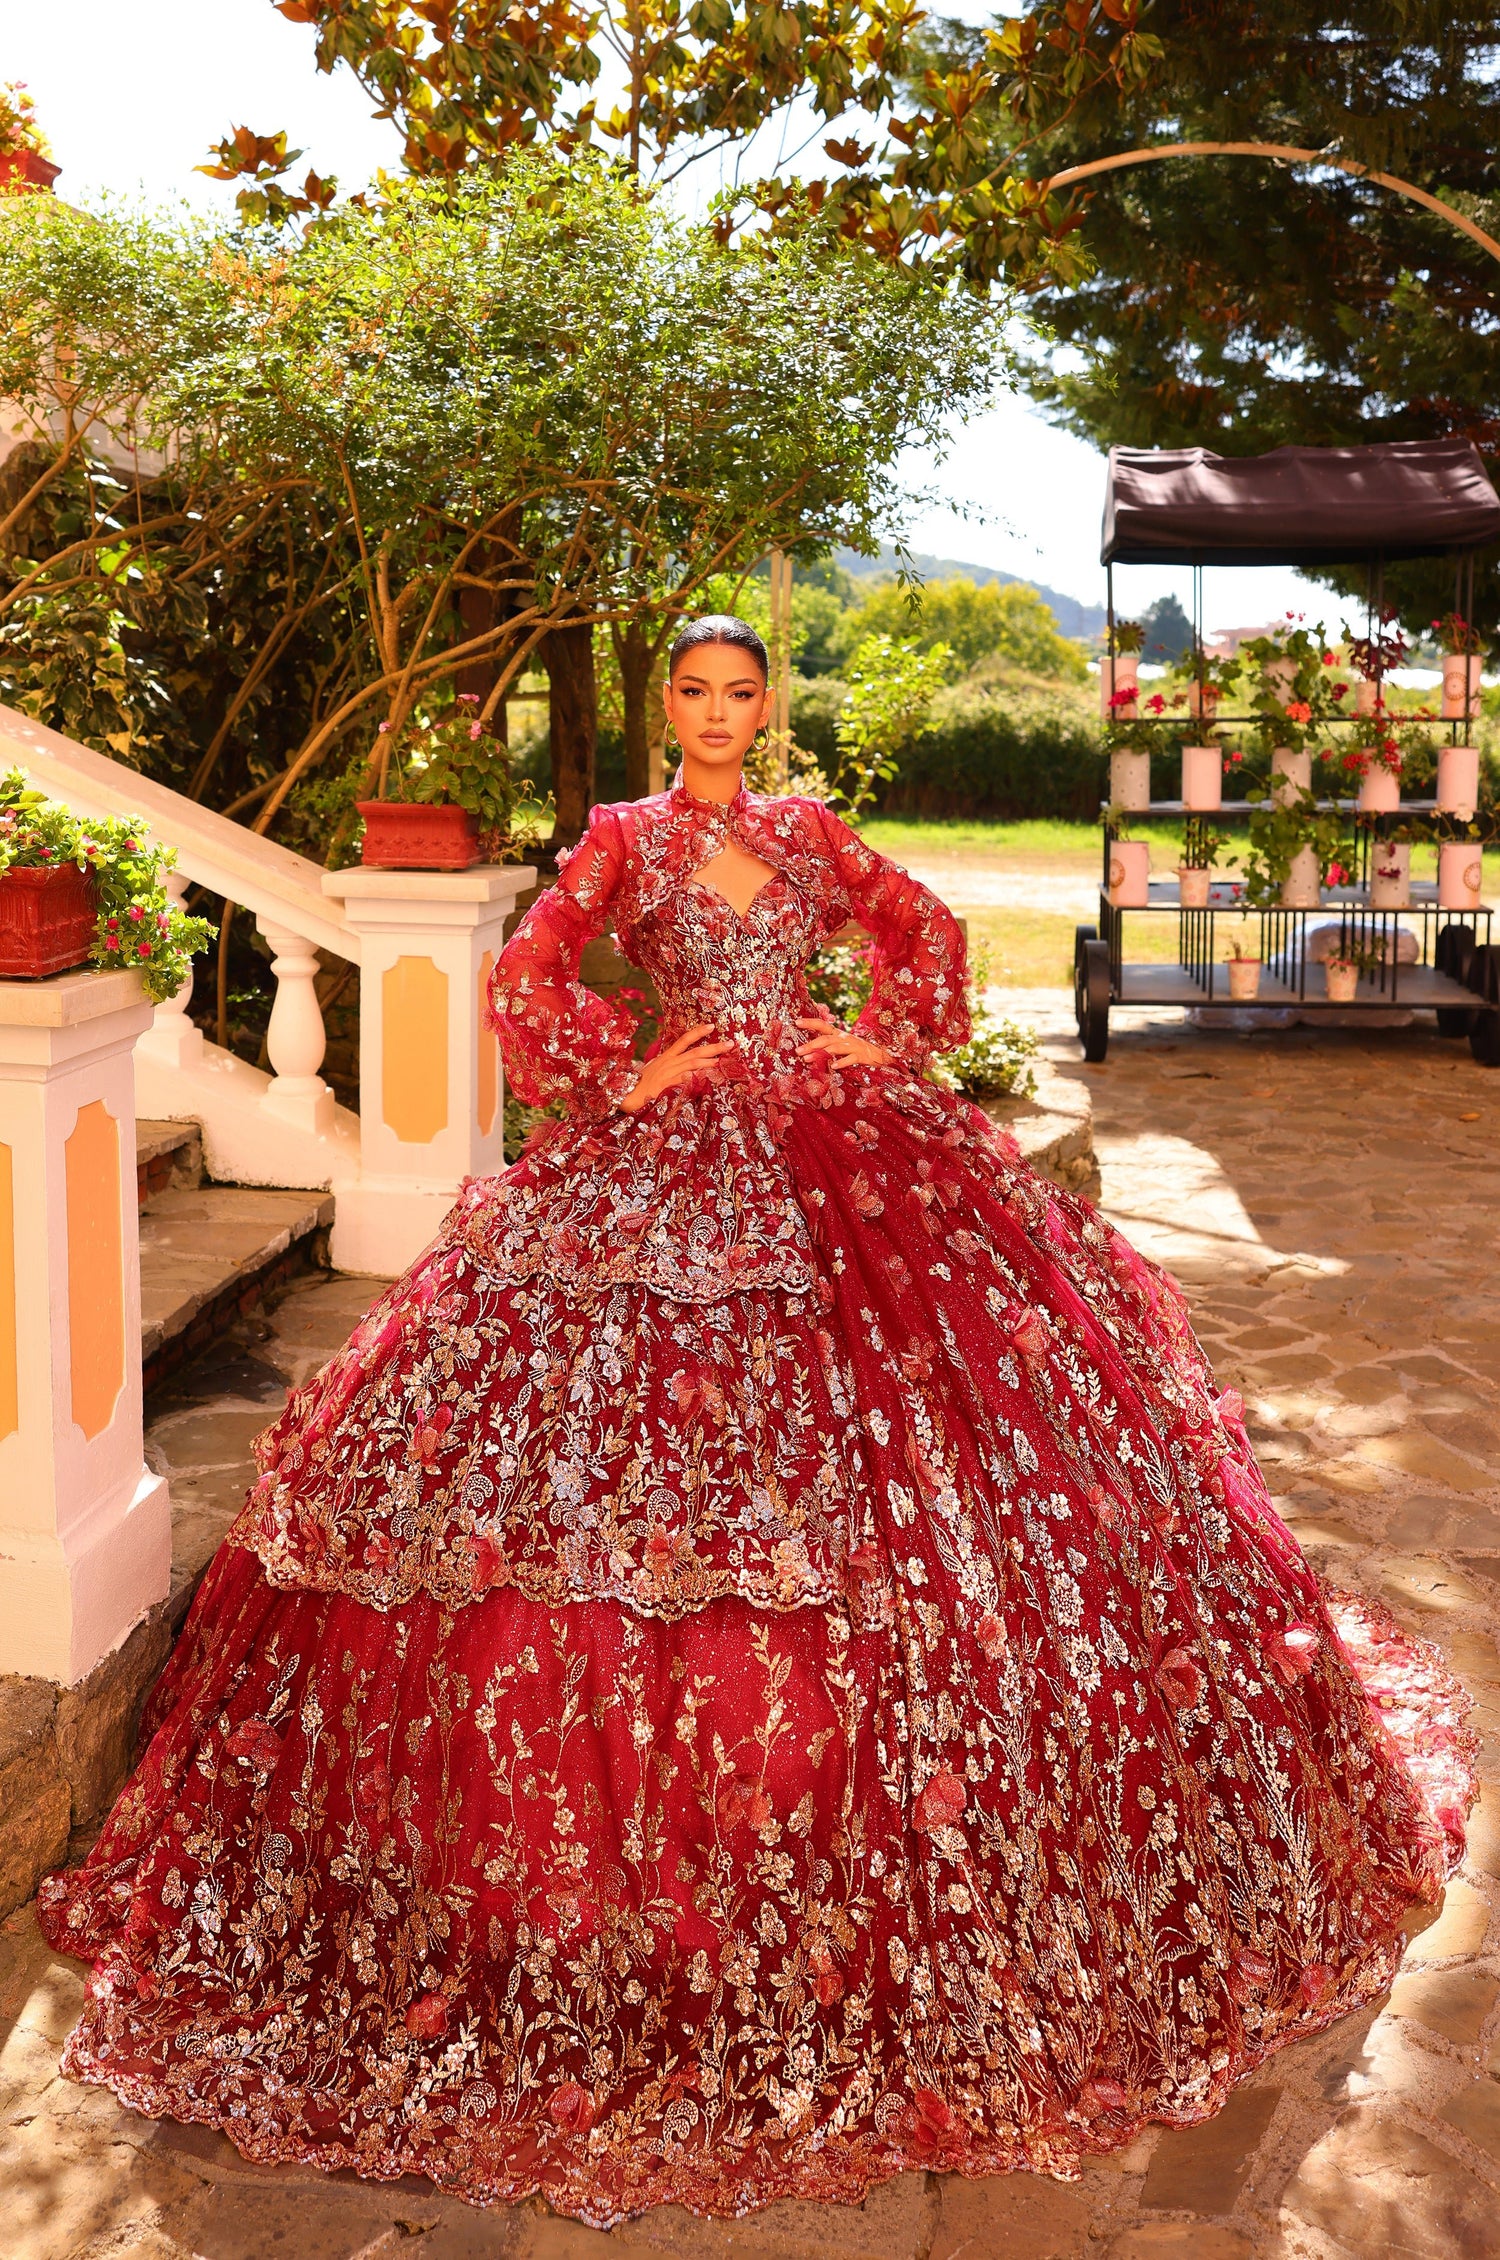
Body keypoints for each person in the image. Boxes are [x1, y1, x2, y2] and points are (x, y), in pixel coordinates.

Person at [40, 613, 1474, 2229]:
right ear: (669, 709)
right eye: (699, 696)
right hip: (675, 1158)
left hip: (842, 1145)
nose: (721, 716)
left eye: (744, 696)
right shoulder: (626, 842)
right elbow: (526, 980)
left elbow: (923, 932)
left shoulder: (806, 834)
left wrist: (890, 1029)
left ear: (766, 711)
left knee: (966, 1444)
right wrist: (623, 1072)